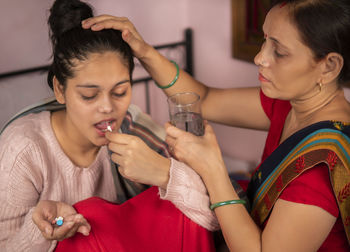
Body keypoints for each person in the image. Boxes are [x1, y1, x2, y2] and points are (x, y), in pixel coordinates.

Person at [82, 0, 350, 251]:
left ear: (329, 66)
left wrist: (213, 169)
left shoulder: (321, 165)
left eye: (279, 52)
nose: (260, 58)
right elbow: (205, 99)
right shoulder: (292, 104)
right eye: (265, 41)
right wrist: (143, 51)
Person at [0, 0, 222, 251]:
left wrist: (164, 172)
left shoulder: (132, 128)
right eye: (89, 95)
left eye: (120, 92)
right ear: (60, 90)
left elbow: (219, 215)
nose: (107, 108)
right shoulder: (24, 149)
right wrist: (41, 229)